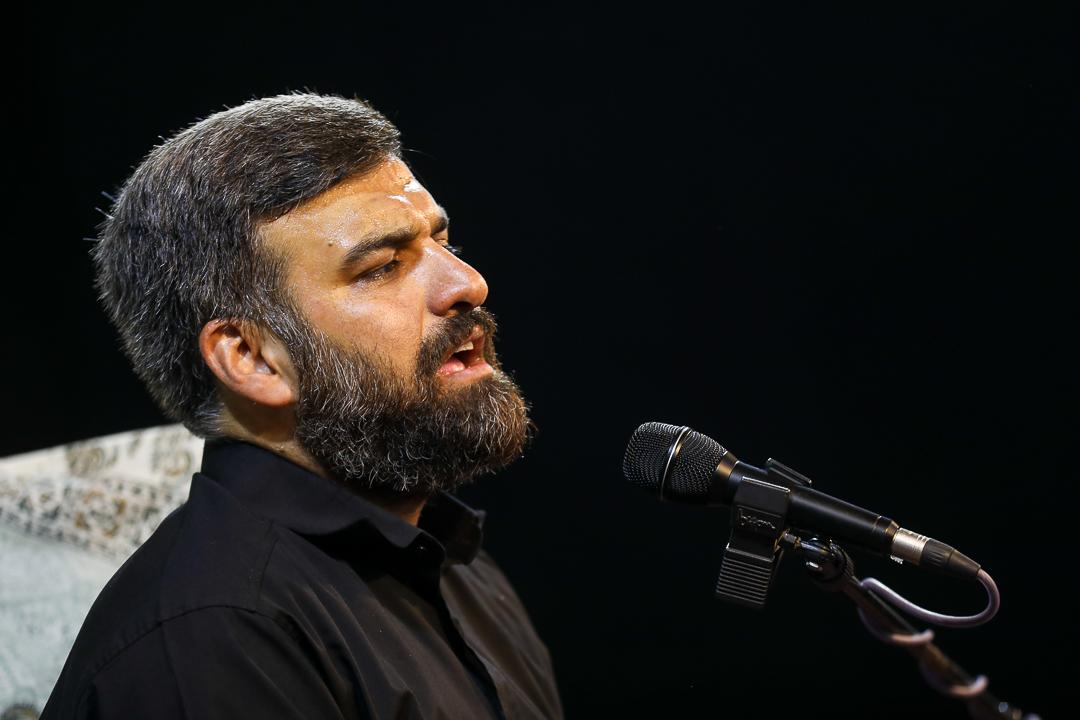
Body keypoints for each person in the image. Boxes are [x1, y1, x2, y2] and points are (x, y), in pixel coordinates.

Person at [42, 93, 563, 720]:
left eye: (442, 240)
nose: (468, 284)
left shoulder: (458, 566)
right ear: (252, 358)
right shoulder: (212, 640)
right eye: (383, 266)